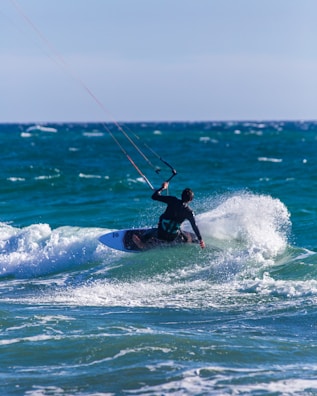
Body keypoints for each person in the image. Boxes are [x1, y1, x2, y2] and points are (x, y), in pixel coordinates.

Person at [133, 181, 205, 249]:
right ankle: (185, 241)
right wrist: (200, 239)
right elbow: (194, 226)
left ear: (181, 195)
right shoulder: (189, 212)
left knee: (151, 232)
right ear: (191, 200)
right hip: (172, 237)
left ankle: (142, 242)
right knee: (183, 235)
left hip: (160, 234)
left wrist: (163, 188)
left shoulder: (172, 200)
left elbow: (154, 196)